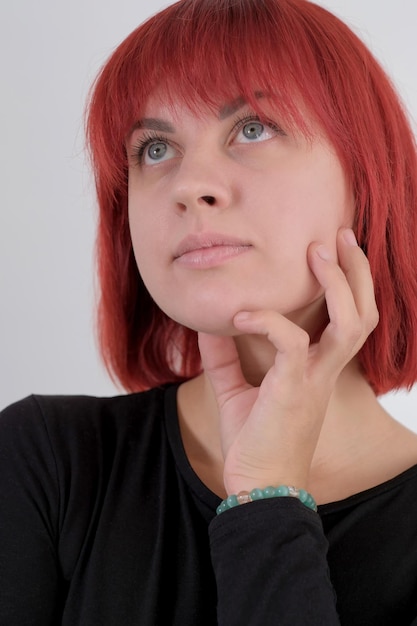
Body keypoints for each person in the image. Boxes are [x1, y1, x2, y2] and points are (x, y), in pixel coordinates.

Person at [1, 0, 417, 623]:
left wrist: (265, 498)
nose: (189, 184)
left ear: (367, 179)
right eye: (156, 147)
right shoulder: (45, 462)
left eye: (253, 128)